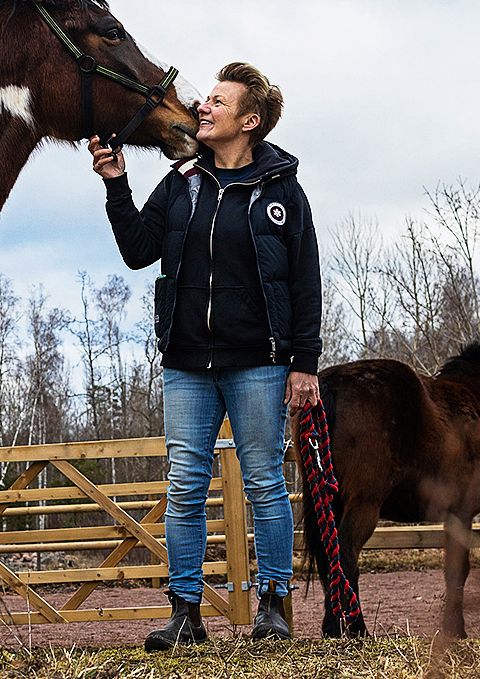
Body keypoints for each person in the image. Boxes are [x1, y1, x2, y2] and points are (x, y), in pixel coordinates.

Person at [91, 62, 322, 650]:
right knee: (185, 486)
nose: (203, 107)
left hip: (259, 362)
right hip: (187, 363)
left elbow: (305, 281)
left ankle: (272, 606)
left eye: (217, 101)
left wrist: (304, 364)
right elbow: (139, 251)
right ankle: (186, 614)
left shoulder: (283, 192)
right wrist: (116, 182)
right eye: (206, 100)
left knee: (266, 481)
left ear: (249, 120)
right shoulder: (181, 184)